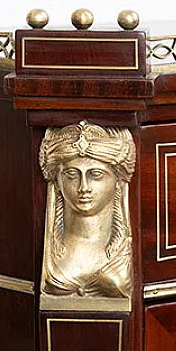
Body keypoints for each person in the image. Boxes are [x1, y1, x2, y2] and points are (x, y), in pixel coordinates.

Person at [38, 122, 135, 299]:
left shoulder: (119, 252)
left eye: (96, 174)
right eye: (72, 175)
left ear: (118, 181)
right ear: (57, 182)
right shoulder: (52, 255)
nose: (84, 187)